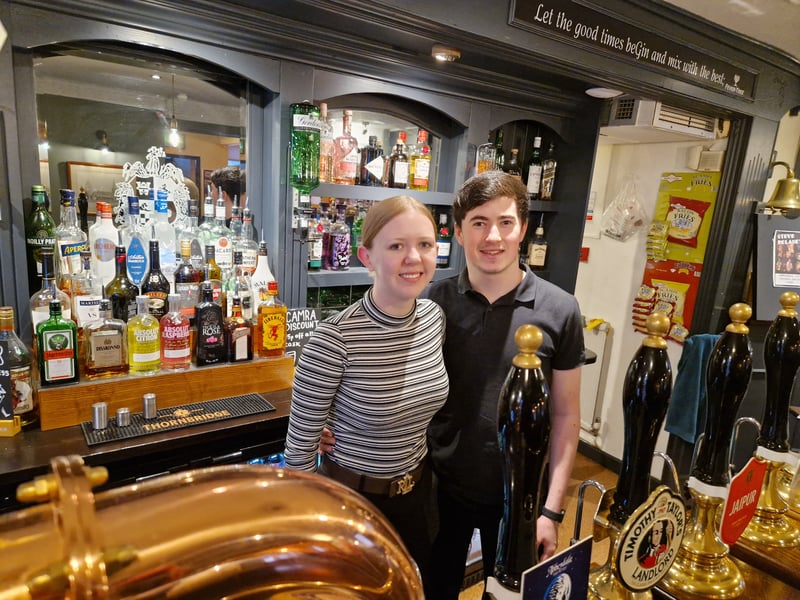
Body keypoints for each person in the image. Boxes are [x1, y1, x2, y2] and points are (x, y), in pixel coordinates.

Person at [422, 170, 584, 598]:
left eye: (505, 222)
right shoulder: (432, 304)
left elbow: (566, 415)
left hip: (521, 496)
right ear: (458, 232)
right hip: (441, 488)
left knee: (508, 594)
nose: (492, 236)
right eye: (478, 222)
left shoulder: (561, 309)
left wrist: (550, 509)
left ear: (523, 229)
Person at [283, 195, 449, 592]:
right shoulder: (334, 340)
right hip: (354, 504)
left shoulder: (433, 319)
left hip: (419, 496)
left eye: (424, 244)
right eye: (396, 246)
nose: (414, 257)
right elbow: (299, 454)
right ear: (366, 256)